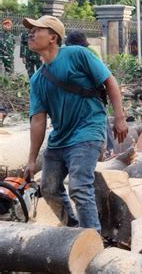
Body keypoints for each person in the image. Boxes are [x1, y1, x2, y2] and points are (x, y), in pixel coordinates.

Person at [22, 15, 129, 233]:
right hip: (60, 138)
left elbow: (109, 81)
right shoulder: (37, 80)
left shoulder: (76, 54)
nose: (30, 33)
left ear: (53, 37)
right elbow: (38, 120)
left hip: (88, 130)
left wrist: (119, 118)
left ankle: (93, 239)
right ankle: (74, 231)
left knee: (79, 186)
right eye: (30, 30)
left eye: (37, 29)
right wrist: (32, 160)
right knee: (49, 188)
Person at [65, 30, 114, 157]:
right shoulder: (66, 54)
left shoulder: (90, 52)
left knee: (101, 120)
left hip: (93, 94)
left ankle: (109, 149)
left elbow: (104, 77)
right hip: (76, 97)